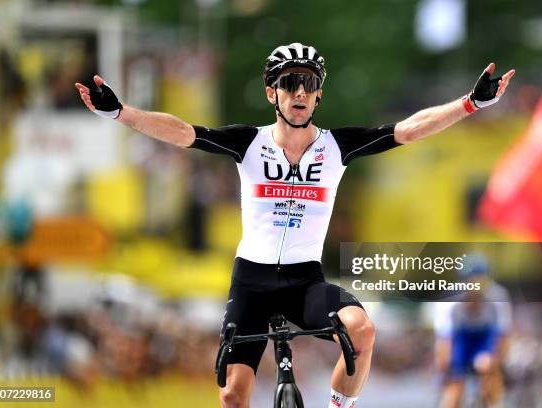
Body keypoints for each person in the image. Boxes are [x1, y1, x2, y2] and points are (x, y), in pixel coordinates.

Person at [75, 43, 515, 408]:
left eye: (309, 84)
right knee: (232, 396)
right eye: (289, 83)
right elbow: (181, 132)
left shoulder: (337, 147)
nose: (299, 92)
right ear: (273, 93)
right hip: (251, 280)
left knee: (362, 329)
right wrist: (120, 113)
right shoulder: (249, 143)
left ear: (319, 96)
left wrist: (470, 103)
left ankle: (339, 405)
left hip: (306, 281)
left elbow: (410, 130)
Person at [433, 254, 512, 408]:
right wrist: (446, 371)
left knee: (488, 368)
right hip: (460, 338)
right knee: (454, 386)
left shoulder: (498, 295)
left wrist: (497, 364)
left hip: (485, 337)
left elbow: (502, 336)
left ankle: (491, 402)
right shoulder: (450, 300)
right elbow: (444, 341)